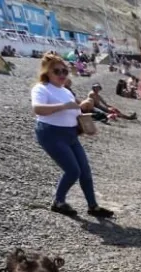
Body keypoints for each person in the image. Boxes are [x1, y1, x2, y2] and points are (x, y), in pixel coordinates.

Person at [30, 52, 114, 219]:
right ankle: (58, 202)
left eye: (64, 71)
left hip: (70, 134)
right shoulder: (41, 88)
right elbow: (37, 109)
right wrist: (63, 106)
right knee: (72, 170)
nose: (61, 74)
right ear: (47, 72)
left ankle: (93, 206)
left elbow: (75, 110)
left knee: (85, 171)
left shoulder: (66, 91)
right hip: (51, 133)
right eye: (57, 71)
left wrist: (85, 114)